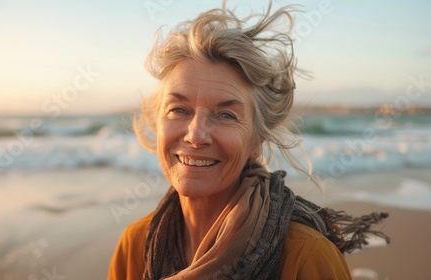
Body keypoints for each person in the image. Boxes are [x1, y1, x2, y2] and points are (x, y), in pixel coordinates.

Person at [108, 3, 389, 279]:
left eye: (226, 115)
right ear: (156, 121)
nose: (195, 135)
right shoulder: (136, 245)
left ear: (257, 139)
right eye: (178, 109)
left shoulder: (305, 257)